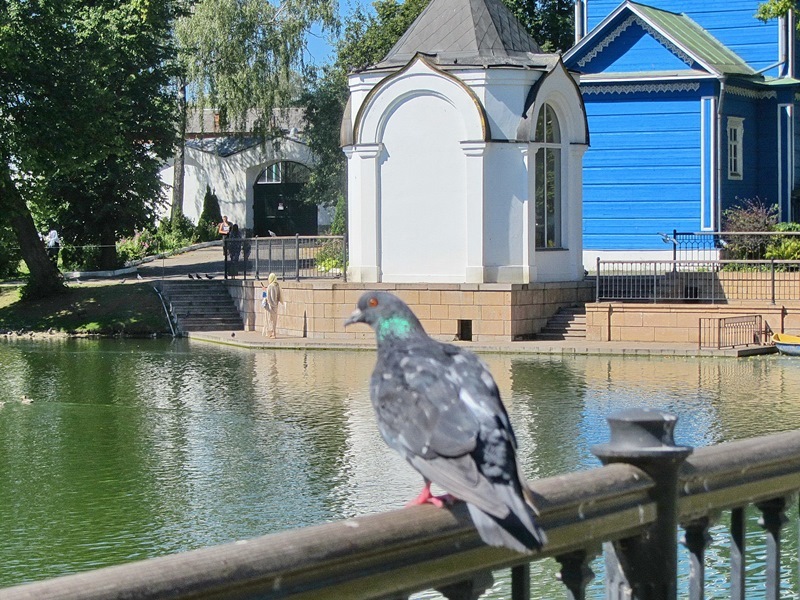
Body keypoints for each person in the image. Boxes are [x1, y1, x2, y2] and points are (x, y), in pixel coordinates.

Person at [260, 273, 282, 338]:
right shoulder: (277, 286)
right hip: (276, 305)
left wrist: (264, 290)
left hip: (270, 306)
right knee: (274, 320)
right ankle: (274, 333)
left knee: (269, 320)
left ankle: (271, 333)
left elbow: (267, 297)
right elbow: (278, 296)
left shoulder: (270, 286)